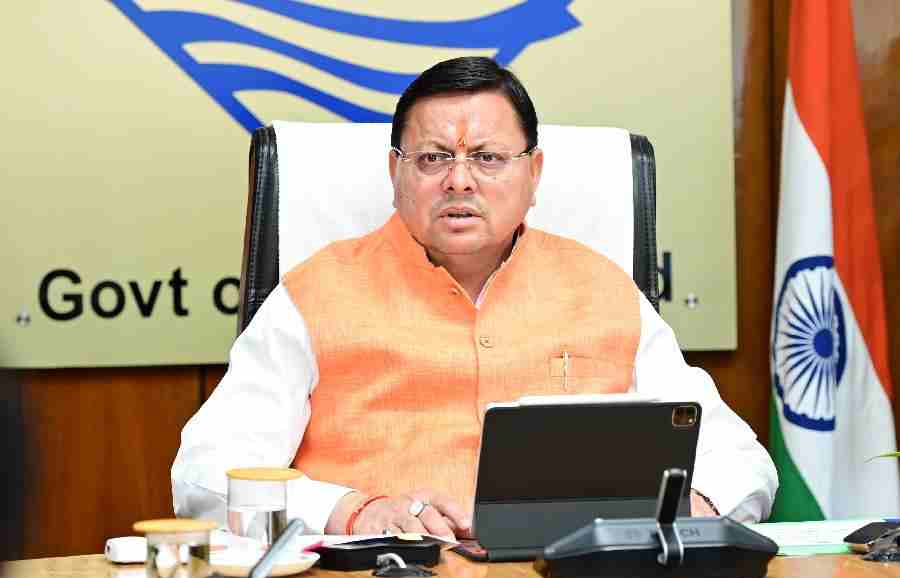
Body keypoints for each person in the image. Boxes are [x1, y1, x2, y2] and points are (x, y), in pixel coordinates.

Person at [172, 57, 777, 540]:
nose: (459, 181)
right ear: (395, 172)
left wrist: (694, 506)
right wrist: (352, 512)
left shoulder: (604, 290)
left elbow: (738, 460)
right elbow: (206, 473)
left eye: (487, 158)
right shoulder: (314, 294)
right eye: (434, 158)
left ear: (534, 173)